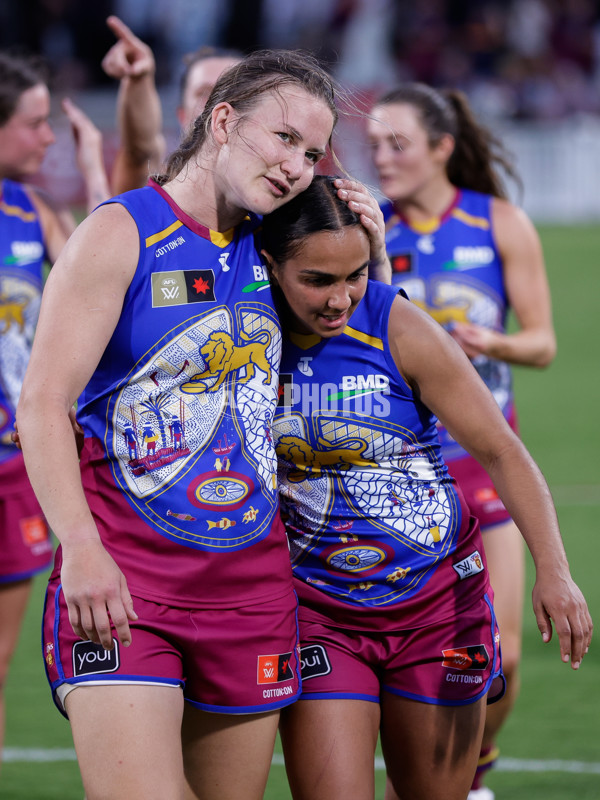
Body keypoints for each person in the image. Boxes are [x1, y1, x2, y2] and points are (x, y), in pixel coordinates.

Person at [16, 50, 387, 800]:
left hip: (251, 588)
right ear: (223, 121)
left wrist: (372, 266)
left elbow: (359, 370)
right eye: (283, 138)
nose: (295, 166)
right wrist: (81, 547)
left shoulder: (281, 245)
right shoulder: (120, 234)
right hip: (125, 582)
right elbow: (42, 404)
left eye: (311, 153)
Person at [261, 175, 592, 800]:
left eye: (357, 274)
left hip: (438, 607)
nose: (340, 299)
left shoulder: (396, 323)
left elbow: (501, 449)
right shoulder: (247, 337)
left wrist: (555, 568)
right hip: (320, 610)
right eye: (318, 281)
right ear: (271, 264)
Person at [365, 83, 558, 800]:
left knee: (499, 653)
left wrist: (493, 342)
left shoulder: (498, 223)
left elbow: (543, 343)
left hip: (480, 462)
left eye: (398, 144)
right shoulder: (367, 230)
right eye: (375, 144)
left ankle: (471, 771)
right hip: (393, 474)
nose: (381, 158)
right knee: (389, 650)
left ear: (442, 148)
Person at [0, 49, 108, 775]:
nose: (47, 140)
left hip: (11, 465)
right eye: (36, 124)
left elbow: (106, 282)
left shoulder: (31, 211)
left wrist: (97, 170)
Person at [101, 15, 241, 194]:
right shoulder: (161, 187)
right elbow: (140, 151)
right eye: (204, 93)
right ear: (181, 115)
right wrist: (138, 79)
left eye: (231, 90)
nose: (218, 103)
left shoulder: (274, 186)